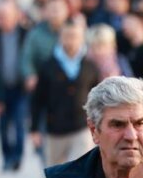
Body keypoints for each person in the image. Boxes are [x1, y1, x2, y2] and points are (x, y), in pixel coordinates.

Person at [31, 20, 101, 167]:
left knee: (81, 169)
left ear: (81, 38)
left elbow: (98, 98)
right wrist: (35, 128)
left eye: (75, 36)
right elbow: (38, 99)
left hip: (81, 127)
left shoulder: (90, 65)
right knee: (55, 171)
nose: (71, 40)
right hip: (55, 129)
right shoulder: (48, 66)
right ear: (60, 38)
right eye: (67, 36)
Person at [0, 0, 30, 172]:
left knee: (19, 123)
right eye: (0, 16)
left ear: (16, 16)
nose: (2, 20)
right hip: (1, 88)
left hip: (20, 87)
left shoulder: (25, 34)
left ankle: (17, 157)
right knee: (2, 126)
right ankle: (7, 156)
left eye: (6, 16)